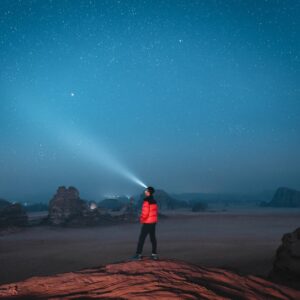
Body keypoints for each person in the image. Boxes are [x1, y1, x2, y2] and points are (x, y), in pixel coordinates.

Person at [131, 186, 159, 260]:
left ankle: (138, 255)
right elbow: (155, 212)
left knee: (142, 238)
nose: (145, 192)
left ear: (149, 192)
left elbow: (145, 213)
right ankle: (154, 254)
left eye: (146, 190)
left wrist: (142, 219)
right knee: (153, 238)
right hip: (153, 222)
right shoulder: (154, 201)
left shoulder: (146, 201)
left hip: (147, 222)